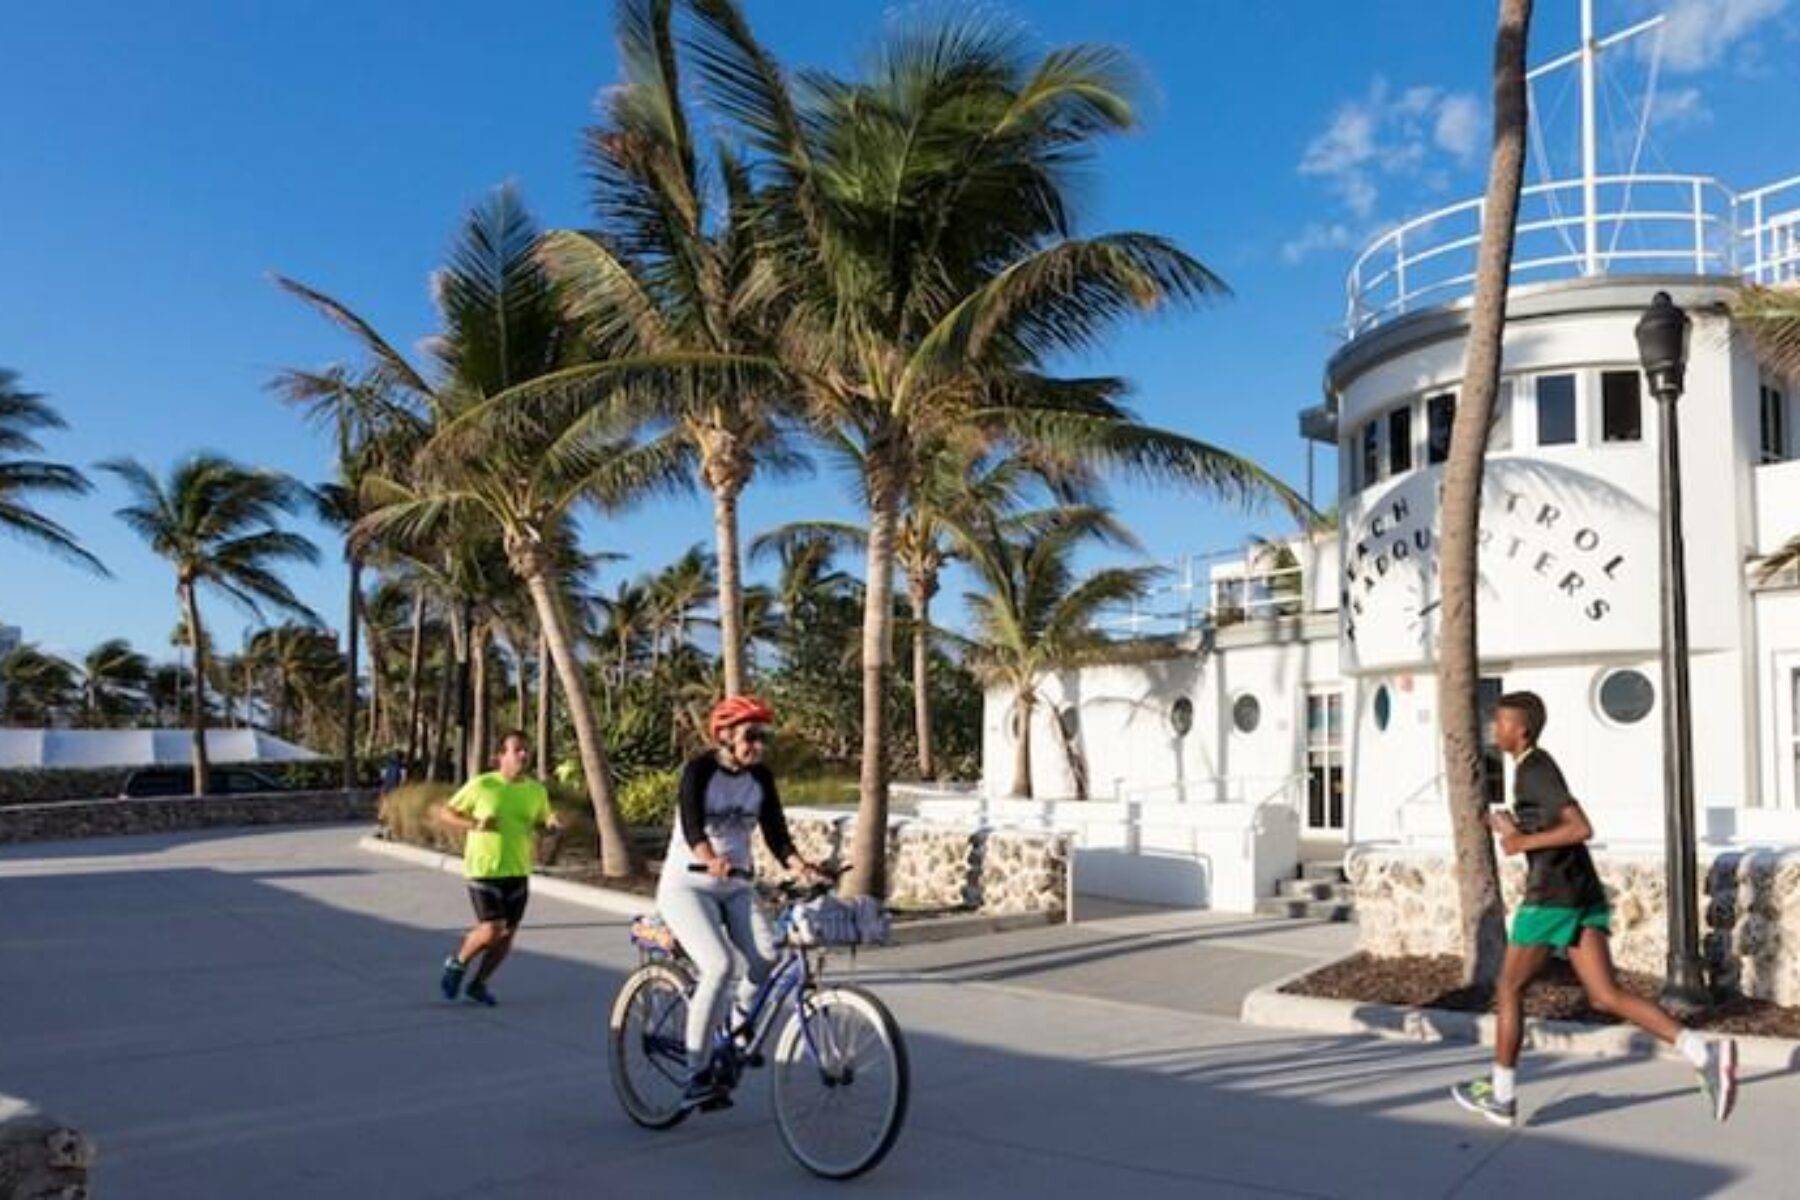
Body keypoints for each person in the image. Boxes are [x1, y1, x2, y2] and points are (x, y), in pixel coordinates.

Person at [1451, 691, 1738, 1128]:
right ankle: (1703, 1052)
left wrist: (1519, 842)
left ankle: (1503, 1097)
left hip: (1552, 897)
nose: (1495, 729)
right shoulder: (1530, 771)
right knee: (1606, 995)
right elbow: (1552, 826)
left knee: (1508, 989)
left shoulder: (1535, 769)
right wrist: (1512, 826)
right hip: (1580, 893)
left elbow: (1580, 827)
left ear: (1521, 729)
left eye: (1501, 722)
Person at [658, 694, 825, 1110]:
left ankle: (735, 1027)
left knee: (766, 957)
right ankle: (697, 1071)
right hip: (687, 885)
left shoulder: (760, 778)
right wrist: (709, 859)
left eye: (762, 737)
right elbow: (693, 822)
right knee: (718, 964)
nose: (758, 745)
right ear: (725, 736)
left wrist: (800, 866)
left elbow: (775, 832)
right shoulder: (699, 771)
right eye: (751, 736)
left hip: (735, 885)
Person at [434, 730, 559, 1007]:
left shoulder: (535, 790)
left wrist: (550, 824)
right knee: (491, 929)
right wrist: (474, 825)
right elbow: (445, 813)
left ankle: (479, 984)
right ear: (500, 756)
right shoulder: (483, 785)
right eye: (517, 750)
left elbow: (542, 819)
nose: (524, 755)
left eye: (526, 750)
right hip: (484, 869)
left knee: (507, 936)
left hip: (517, 870)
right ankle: (457, 963)